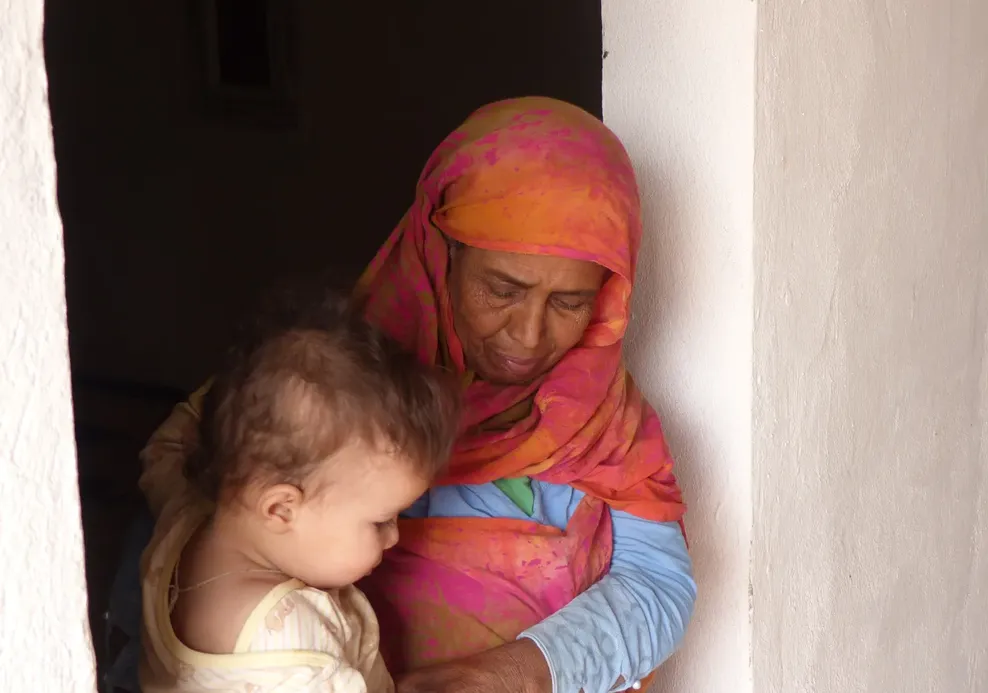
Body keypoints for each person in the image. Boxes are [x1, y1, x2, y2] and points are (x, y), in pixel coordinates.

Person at [109, 96, 696, 693]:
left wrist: (514, 673)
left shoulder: (607, 421)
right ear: (442, 255)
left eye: (570, 303)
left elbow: (658, 583)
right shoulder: (336, 377)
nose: (528, 335)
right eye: (501, 289)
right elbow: (198, 460)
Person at [136, 286, 460, 692]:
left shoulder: (182, 515)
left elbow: (165, 449)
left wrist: (248, 402)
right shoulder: (294, 641)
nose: (394, 536)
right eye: (380, 521)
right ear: (281, 510)